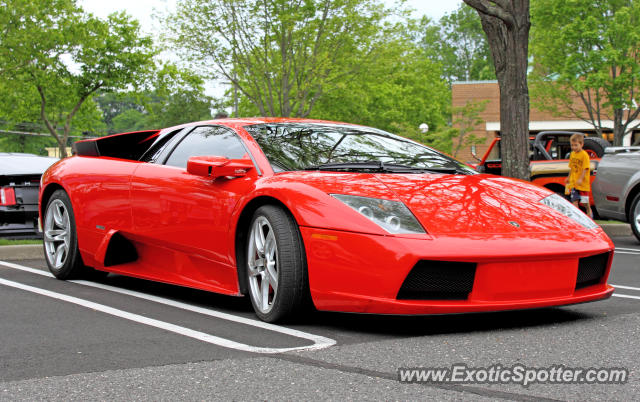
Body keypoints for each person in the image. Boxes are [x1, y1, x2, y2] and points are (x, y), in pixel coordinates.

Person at [565, 133, 593, 218]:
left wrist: (581, 178)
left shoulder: (584, 155)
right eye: (572, 145)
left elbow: (585, 168)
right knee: (574, 200)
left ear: (581, 144)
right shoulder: (572, 154)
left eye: (576, 145)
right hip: (574, 182)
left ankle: (589, 212)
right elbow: (572, 167)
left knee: (584, 202)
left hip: (583, 183)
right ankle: (577, 217)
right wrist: (569, 177)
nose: (573, 147)